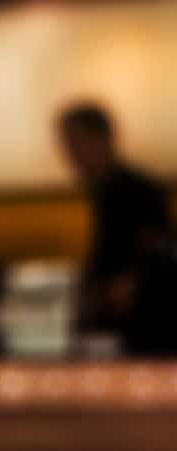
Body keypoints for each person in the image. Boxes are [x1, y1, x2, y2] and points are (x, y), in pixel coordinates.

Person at [58, 103, 175, 353]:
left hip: (144, 331)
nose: (68, 153)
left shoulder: (138, 191)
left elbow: (157, 257)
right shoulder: (104, 192)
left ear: (102, 139)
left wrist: (120, 289)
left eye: (75, 142)